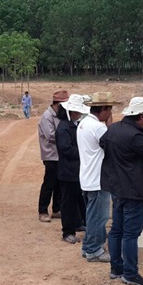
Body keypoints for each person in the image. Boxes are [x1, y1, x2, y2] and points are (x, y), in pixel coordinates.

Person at [99, 96, 143, 285]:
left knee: (116, 230)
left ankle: (116, 268)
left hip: (117, 188)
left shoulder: (113, 129)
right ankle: (130, 273)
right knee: (131, 234)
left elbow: (102, 142)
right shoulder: (135, 136)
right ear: (141, 116)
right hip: (134, 190)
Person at [77, 91, 120, 262]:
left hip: (87, 176)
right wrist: (110, 126)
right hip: (98, 179)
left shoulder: (84, 123)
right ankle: (94, 250)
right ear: (103, 109)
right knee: (99, 217)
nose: (110, 113)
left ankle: (88, 246)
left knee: (91, 215)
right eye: (109, 109)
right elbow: (113, 146)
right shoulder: (98, 128)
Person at [56, 94, 89, 244]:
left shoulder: (74, 125)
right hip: (68, 171)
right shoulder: (64, 128)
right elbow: (66, 149)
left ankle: (77, 223)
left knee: (77, 199)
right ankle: (67, 231)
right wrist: (83, 151)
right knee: (68, 202)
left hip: (75, 170)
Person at [37, 90, 69, 223]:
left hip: (59, 155)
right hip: (51, 155)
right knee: (49, 183)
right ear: (58, 104)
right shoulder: (47, 116)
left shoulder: (60, 115)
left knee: (59, 183)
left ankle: (57, 209)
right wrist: (67, 137)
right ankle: (43, 211)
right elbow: (51, 136)